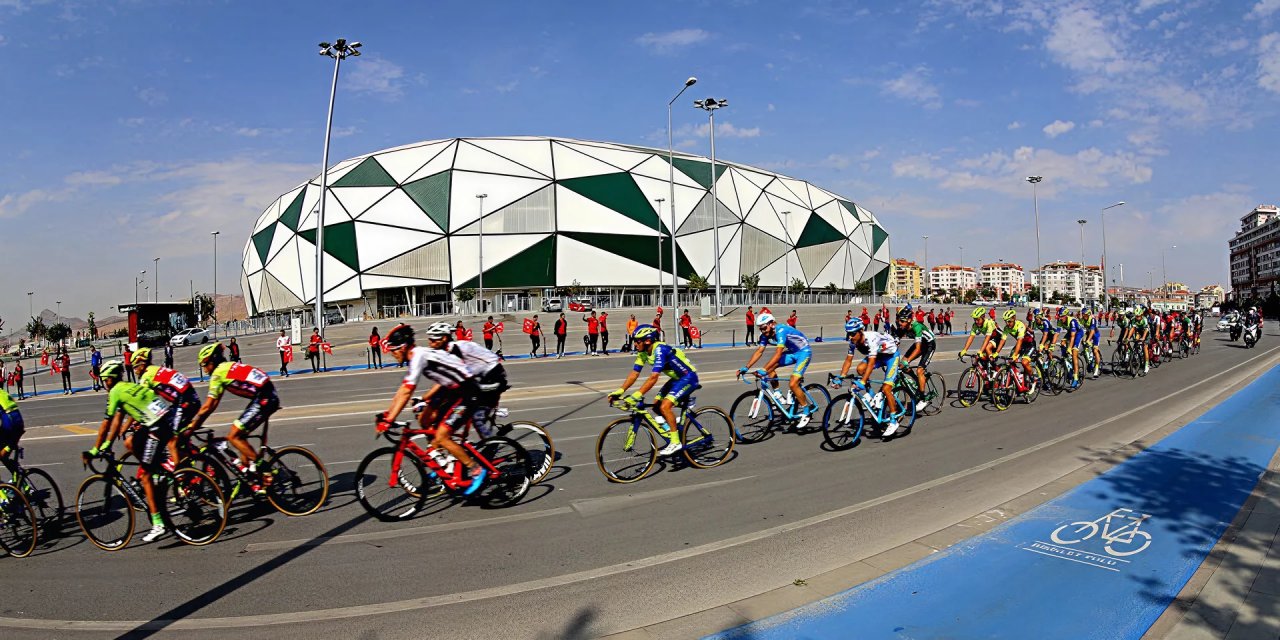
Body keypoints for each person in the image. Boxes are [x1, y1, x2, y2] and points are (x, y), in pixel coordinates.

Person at [376, 324, 487, 494]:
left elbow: (407, 391)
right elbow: (402, 390)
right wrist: (387, 414)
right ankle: (444, 461)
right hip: (452, 391)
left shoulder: (418, 355)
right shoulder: (416, 356)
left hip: (468, 392)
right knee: (426, 420)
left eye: (393, 349)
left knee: (442, 435)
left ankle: (476, 469)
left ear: (403, 347)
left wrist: (390, 420)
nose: (392, 353)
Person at [83, 360, 173, 542]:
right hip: (164, 420)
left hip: (156, 426)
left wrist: (94, 450)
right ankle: (160, 472)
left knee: (146, 477)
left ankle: (158, 524)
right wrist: (107, 445)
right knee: (131, 442)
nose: (104, 383)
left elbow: (107, 423)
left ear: (109, 380)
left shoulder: (115, 391)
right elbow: (119, 418)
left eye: (104, 380)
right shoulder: (128, 386)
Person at [188, 343, 279, 493]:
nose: (204, 370)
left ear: (213, 360)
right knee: (240, 436)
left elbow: (208, 406)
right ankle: (250, 479)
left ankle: (264, 470)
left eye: (205, 365)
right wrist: (198, 422)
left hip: (264, 398)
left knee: (233, 436)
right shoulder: (228, 367)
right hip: (266, 394)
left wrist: (193, 425)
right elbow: (214, 405)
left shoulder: (218, 373)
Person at [607, 325, 698, 456]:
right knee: (656, 405)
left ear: (648, 341)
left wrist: (636, 395)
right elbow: (634, 373)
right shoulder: (643, 352)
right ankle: (672, 431)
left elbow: (654, 377)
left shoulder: (660, 350)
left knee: (665, 406)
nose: (635, 344)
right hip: (677, 379)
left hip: (688, 378)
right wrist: (620, 391)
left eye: (637, 341)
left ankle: (675, 441)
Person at [430, 321, 509, 438]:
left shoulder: (455, 350)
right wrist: (426, 399)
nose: (430, 344)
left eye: (433, 340)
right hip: (481, 377)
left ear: (444, 339)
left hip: (493, 377)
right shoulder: (449, 351)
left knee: (476, 416)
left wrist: (429, 399)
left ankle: (491, 447)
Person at [738, 313, 816, 428]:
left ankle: (806, 411)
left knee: (793, 383)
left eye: (764, 328)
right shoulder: (765, 334)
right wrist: (746, 367)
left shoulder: (781, 331)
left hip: (804, 352)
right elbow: (759, 351)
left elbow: (778, 354)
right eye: (760, 329)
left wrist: (763, 369)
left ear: (772, 324)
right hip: (792, 352)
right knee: (769, 368)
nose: (763, 331)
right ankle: (778, 394)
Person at [131, 347, 201, 470]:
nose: (135, 370)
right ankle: (190, 454)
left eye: (136, 366)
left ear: (142, 364)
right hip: (187, 400)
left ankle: (180, 476)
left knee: (171, 440)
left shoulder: (146, 376)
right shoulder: (156, 369)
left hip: (184, 402)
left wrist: (136, 421)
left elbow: (142, 403)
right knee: (172, 431)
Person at [835, 318, 903, 437]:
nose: (850, 337)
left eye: (852, 334)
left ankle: (893, 420)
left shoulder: (871, 339)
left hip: (891, 356)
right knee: (860, 369)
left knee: (887, 389)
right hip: (879, 355)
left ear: (861, 331)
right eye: (848, 334)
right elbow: (848, 360)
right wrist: (841, 376)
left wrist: (862, 381)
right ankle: (871, 395)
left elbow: (871, 364)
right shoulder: (852, 342)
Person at [895, 308, 937, 412]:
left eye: (902, 321)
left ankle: (923, 399)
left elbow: (918, 349)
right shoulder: (902, 326)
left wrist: (907, 361)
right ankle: (917, 381)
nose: (899, 323)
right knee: (901, 366)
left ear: (909, 320)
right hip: (919, 344)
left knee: (919, 370)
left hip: (929, 345)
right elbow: (894, 343)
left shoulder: (916, 327)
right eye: (898, 320)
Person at [996, 309, 1037, 391]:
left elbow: (1019, 341)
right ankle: (1016, 379)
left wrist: (1015, 355)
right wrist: (996, 353)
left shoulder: (1020, 325)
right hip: (1021, 344)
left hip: (1030, 344)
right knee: (1009, 361)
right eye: (1006, 322)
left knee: (1024, 362)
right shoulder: (1007, 328)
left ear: (1014, 318)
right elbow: (1002, 341)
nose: (1007, 324)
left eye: (1009, 321)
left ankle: (1033, 378)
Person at [0, 387, 25, 471]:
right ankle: (18, 477)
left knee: (2, 453)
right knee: (3, 455)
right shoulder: (1, 391)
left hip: (10, 423)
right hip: (17, 423)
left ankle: (18, 476)